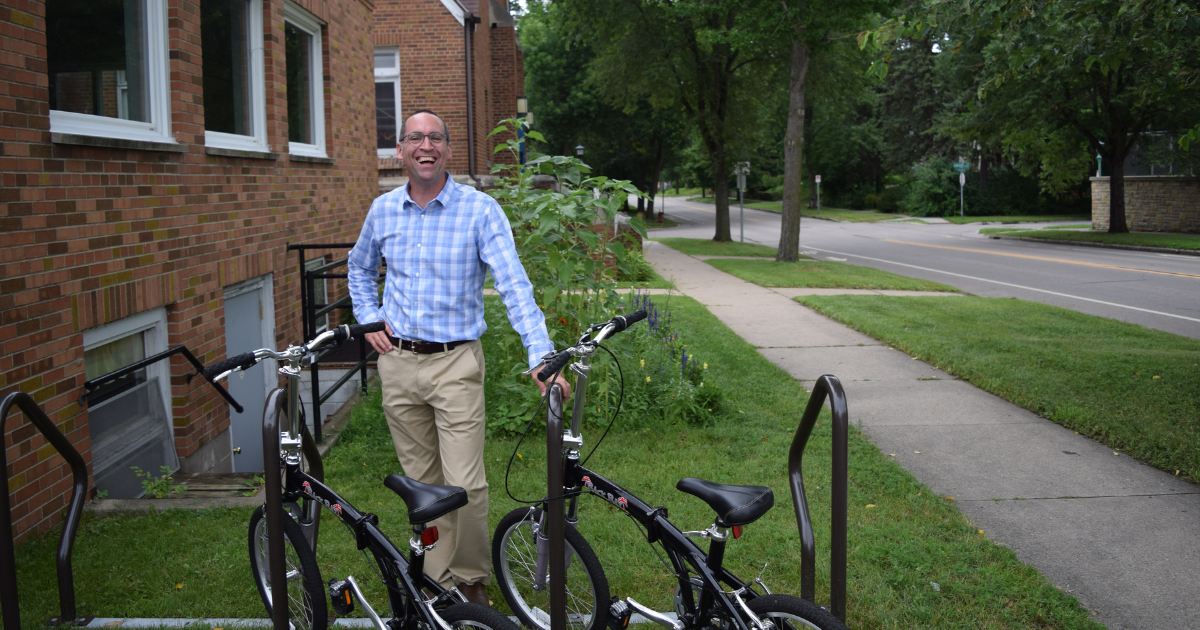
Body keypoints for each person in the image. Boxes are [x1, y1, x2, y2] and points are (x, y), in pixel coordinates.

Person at [347, 110, 570, 606]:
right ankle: (435, 583)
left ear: (448, 149)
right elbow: (359, 269)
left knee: (465, 482)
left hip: (455, 364)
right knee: (423, 486)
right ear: (401, 150)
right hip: (399, 364)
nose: (426, 146)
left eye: (436, 138)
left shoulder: (480, 210)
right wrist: (368, 319)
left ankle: (470, 580)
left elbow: (514, 284)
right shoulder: (382, 211)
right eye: (415, 138)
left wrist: (541, 355)